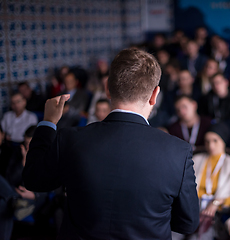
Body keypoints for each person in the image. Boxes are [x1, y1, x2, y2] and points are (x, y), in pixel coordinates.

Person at [22, 48, 199, 239]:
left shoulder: (70, 139)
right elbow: (188, 223)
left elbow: (34, 179)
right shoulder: (178, 151)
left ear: (107, 88)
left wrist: (48, 122)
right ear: (154, 95)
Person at [172, 123, 230, 240]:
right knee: (171, 234)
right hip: (191, 205)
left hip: (215, 212)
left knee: (199, 237)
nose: (211, 145)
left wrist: (217, 203)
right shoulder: (196, 159)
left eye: (215, 140)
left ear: (223, 141)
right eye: (207, 141)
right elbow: (183, 186)